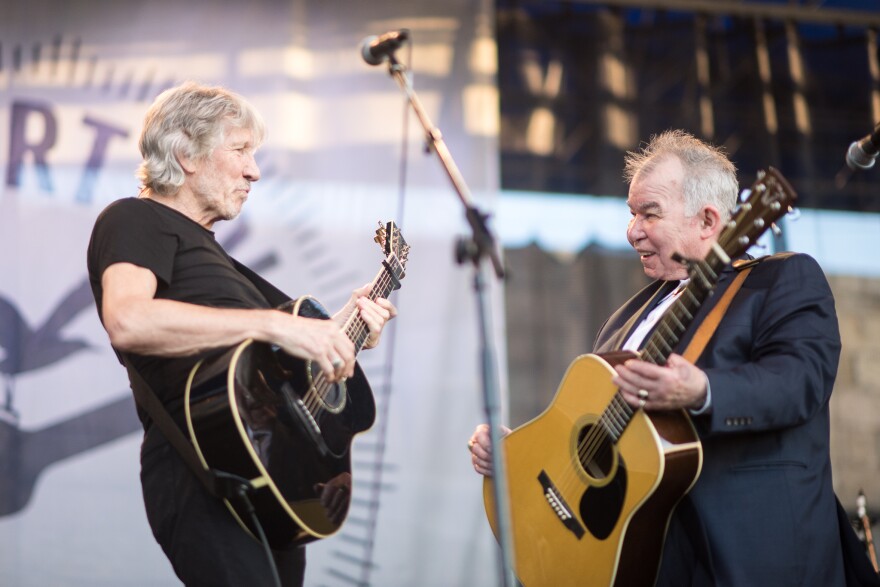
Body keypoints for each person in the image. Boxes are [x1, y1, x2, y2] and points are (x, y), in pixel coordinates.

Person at [469, 130, 858, 585]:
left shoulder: (781, 281)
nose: (632, 231)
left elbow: (800, 382)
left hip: (750, 559)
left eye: (648, 213)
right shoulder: (625, 318)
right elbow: (609, 434)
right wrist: (522, 455)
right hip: (649, 561)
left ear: (708, 220)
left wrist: (703, 390)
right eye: (631, 214)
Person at [87, 81, 397, 587]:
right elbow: (128, 320)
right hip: (204, 470)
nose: (254, 170)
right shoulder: (136, 218)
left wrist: (345, 330)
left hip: (272, 478)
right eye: (240, 151)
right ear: (186, 153)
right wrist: (274, 323)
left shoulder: (223, 268)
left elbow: (277, 375)